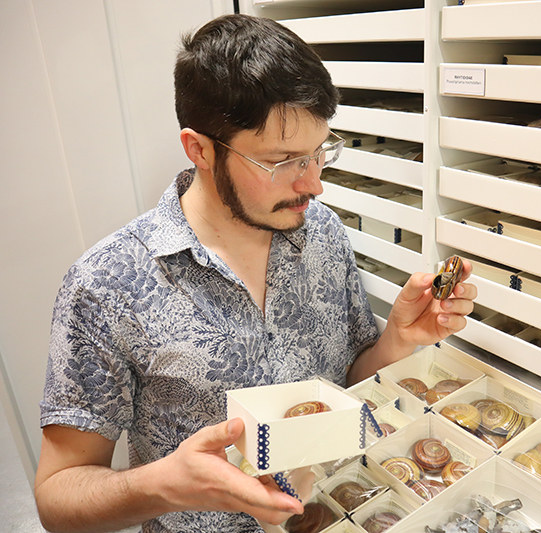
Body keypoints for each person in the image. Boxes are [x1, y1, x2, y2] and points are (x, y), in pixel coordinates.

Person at [34, 14, 475, 533]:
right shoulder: (106, 284)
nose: (314, 185)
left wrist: (395, 343)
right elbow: (57, 498)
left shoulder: (323, 234)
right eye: (283, 160)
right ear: (199, 148)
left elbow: (344, 387)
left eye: (319, 154)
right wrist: (162, 484)